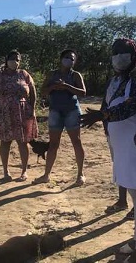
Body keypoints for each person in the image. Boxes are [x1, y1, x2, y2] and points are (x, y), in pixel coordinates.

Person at [81, 38, 136, 263]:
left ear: (134, 54)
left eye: (123, 52)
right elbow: (108, 107)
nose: (118, 56)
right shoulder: (116, 80)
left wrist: (101, 116)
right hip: (124, 142)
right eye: (115, 52)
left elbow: (131, 106)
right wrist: (101, 117)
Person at [34, 49, 86, 185]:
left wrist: (67, 86)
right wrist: (54, 87)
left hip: (72, 111)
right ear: (61, 58)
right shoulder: (52, 74)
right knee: (53, 144)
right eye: (67, 57)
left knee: (76, 142)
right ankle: (46, 175)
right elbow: (43, 91)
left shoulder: (76, 75)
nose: (70, 60)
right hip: (55, 111)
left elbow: (83, 92)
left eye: (72, 58)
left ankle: (80, 174)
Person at [0, 50, 38, 182]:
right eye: (11, 58)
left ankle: (24, 171)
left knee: (23, 141)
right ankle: (5, 172)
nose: (14, 61)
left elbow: (33, 92)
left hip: (22, 112)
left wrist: (32, 109)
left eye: (17, 59)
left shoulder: (24, 74)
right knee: (5, 141)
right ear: (6, 60)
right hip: (4, 112)